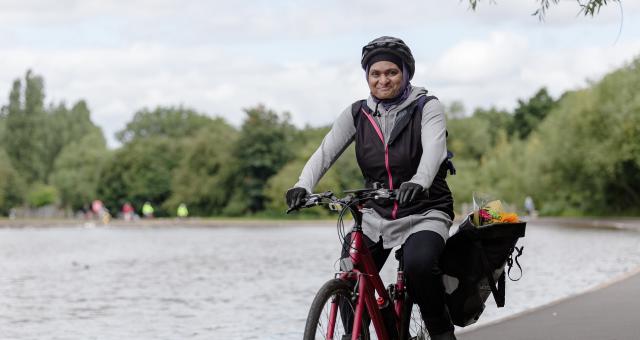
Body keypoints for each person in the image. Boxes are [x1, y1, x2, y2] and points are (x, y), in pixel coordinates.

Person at [286, 36, 456, 340]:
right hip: (375, 215)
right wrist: (302, 185)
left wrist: (419, 181)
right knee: (348, 272)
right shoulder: (357, 113)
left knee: (419, 267)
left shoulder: (426, 106)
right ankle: (364, 333)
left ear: (406, 73)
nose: (383, 80)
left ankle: (442, 333)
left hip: (424, 209)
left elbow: (434, 149)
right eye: (375, 74)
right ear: (367, 77)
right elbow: (325, 152)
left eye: (391, 72)